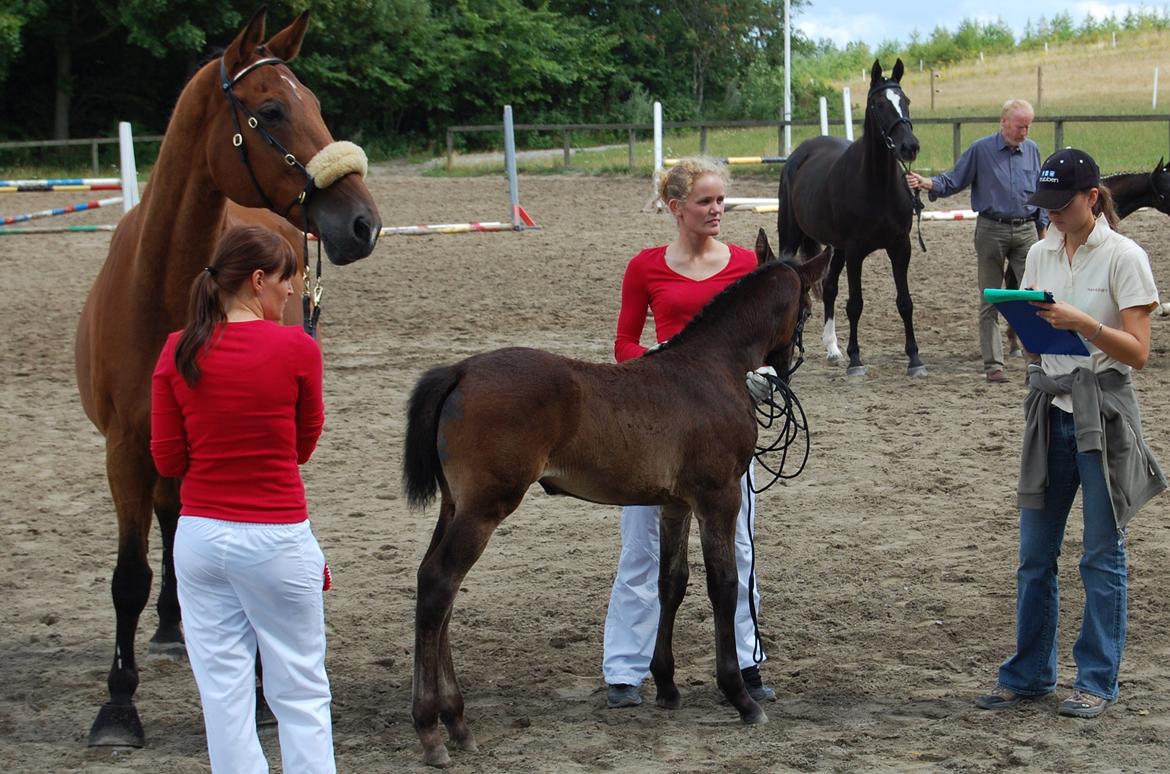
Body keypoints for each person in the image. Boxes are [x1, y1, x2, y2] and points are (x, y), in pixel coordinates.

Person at [974, 148, 1166, 719]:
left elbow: (1138, 354)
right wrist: (1026, 322)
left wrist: (1084, 323)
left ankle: (1096, 680)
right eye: (1046, 206)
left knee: (1101, 556)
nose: (1051, 215)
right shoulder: (1039, 251)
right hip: (1049, 406)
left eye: (1061, 205)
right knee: (1034, 555)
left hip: (1102, 410)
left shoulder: (1126, 257)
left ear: (1091, 198)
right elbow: (1037, 339)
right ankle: (1030, 673)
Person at [151, 225, 334, 772]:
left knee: (224, 697)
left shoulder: (177, 350)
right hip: (276, 535)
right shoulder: (297, 349)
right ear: (258, 281)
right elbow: (303, 448)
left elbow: (167, 462)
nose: (289, 295)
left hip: (202, 538)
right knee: (301, 691)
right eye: (285, 283)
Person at [603, 157, 775, 709]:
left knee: (738, 545)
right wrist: (660, 364)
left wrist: (764, 374)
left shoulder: (747, 264)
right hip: (654, 423)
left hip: (720, 425)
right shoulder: (645, 267)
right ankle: (625, 668)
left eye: (721, 201)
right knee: (641, 548)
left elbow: (765, 339)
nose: (717, 210)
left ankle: (746, 661)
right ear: (677, 208)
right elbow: (624, 343)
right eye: (706, 202)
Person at [906, 98, 1049, 383]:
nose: (1025, 131)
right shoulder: (980, 150)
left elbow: (1041, 192)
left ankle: (1040, 359)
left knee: (1035, 297)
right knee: (990, 297)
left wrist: (1042, 227)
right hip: (990, 230)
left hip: (1026, 232)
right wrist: (928, 183)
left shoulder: (1032, 150)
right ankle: (993, 365)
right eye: (1021, 125)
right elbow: (954, 179)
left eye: (1028, 126)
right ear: (1004, 122)